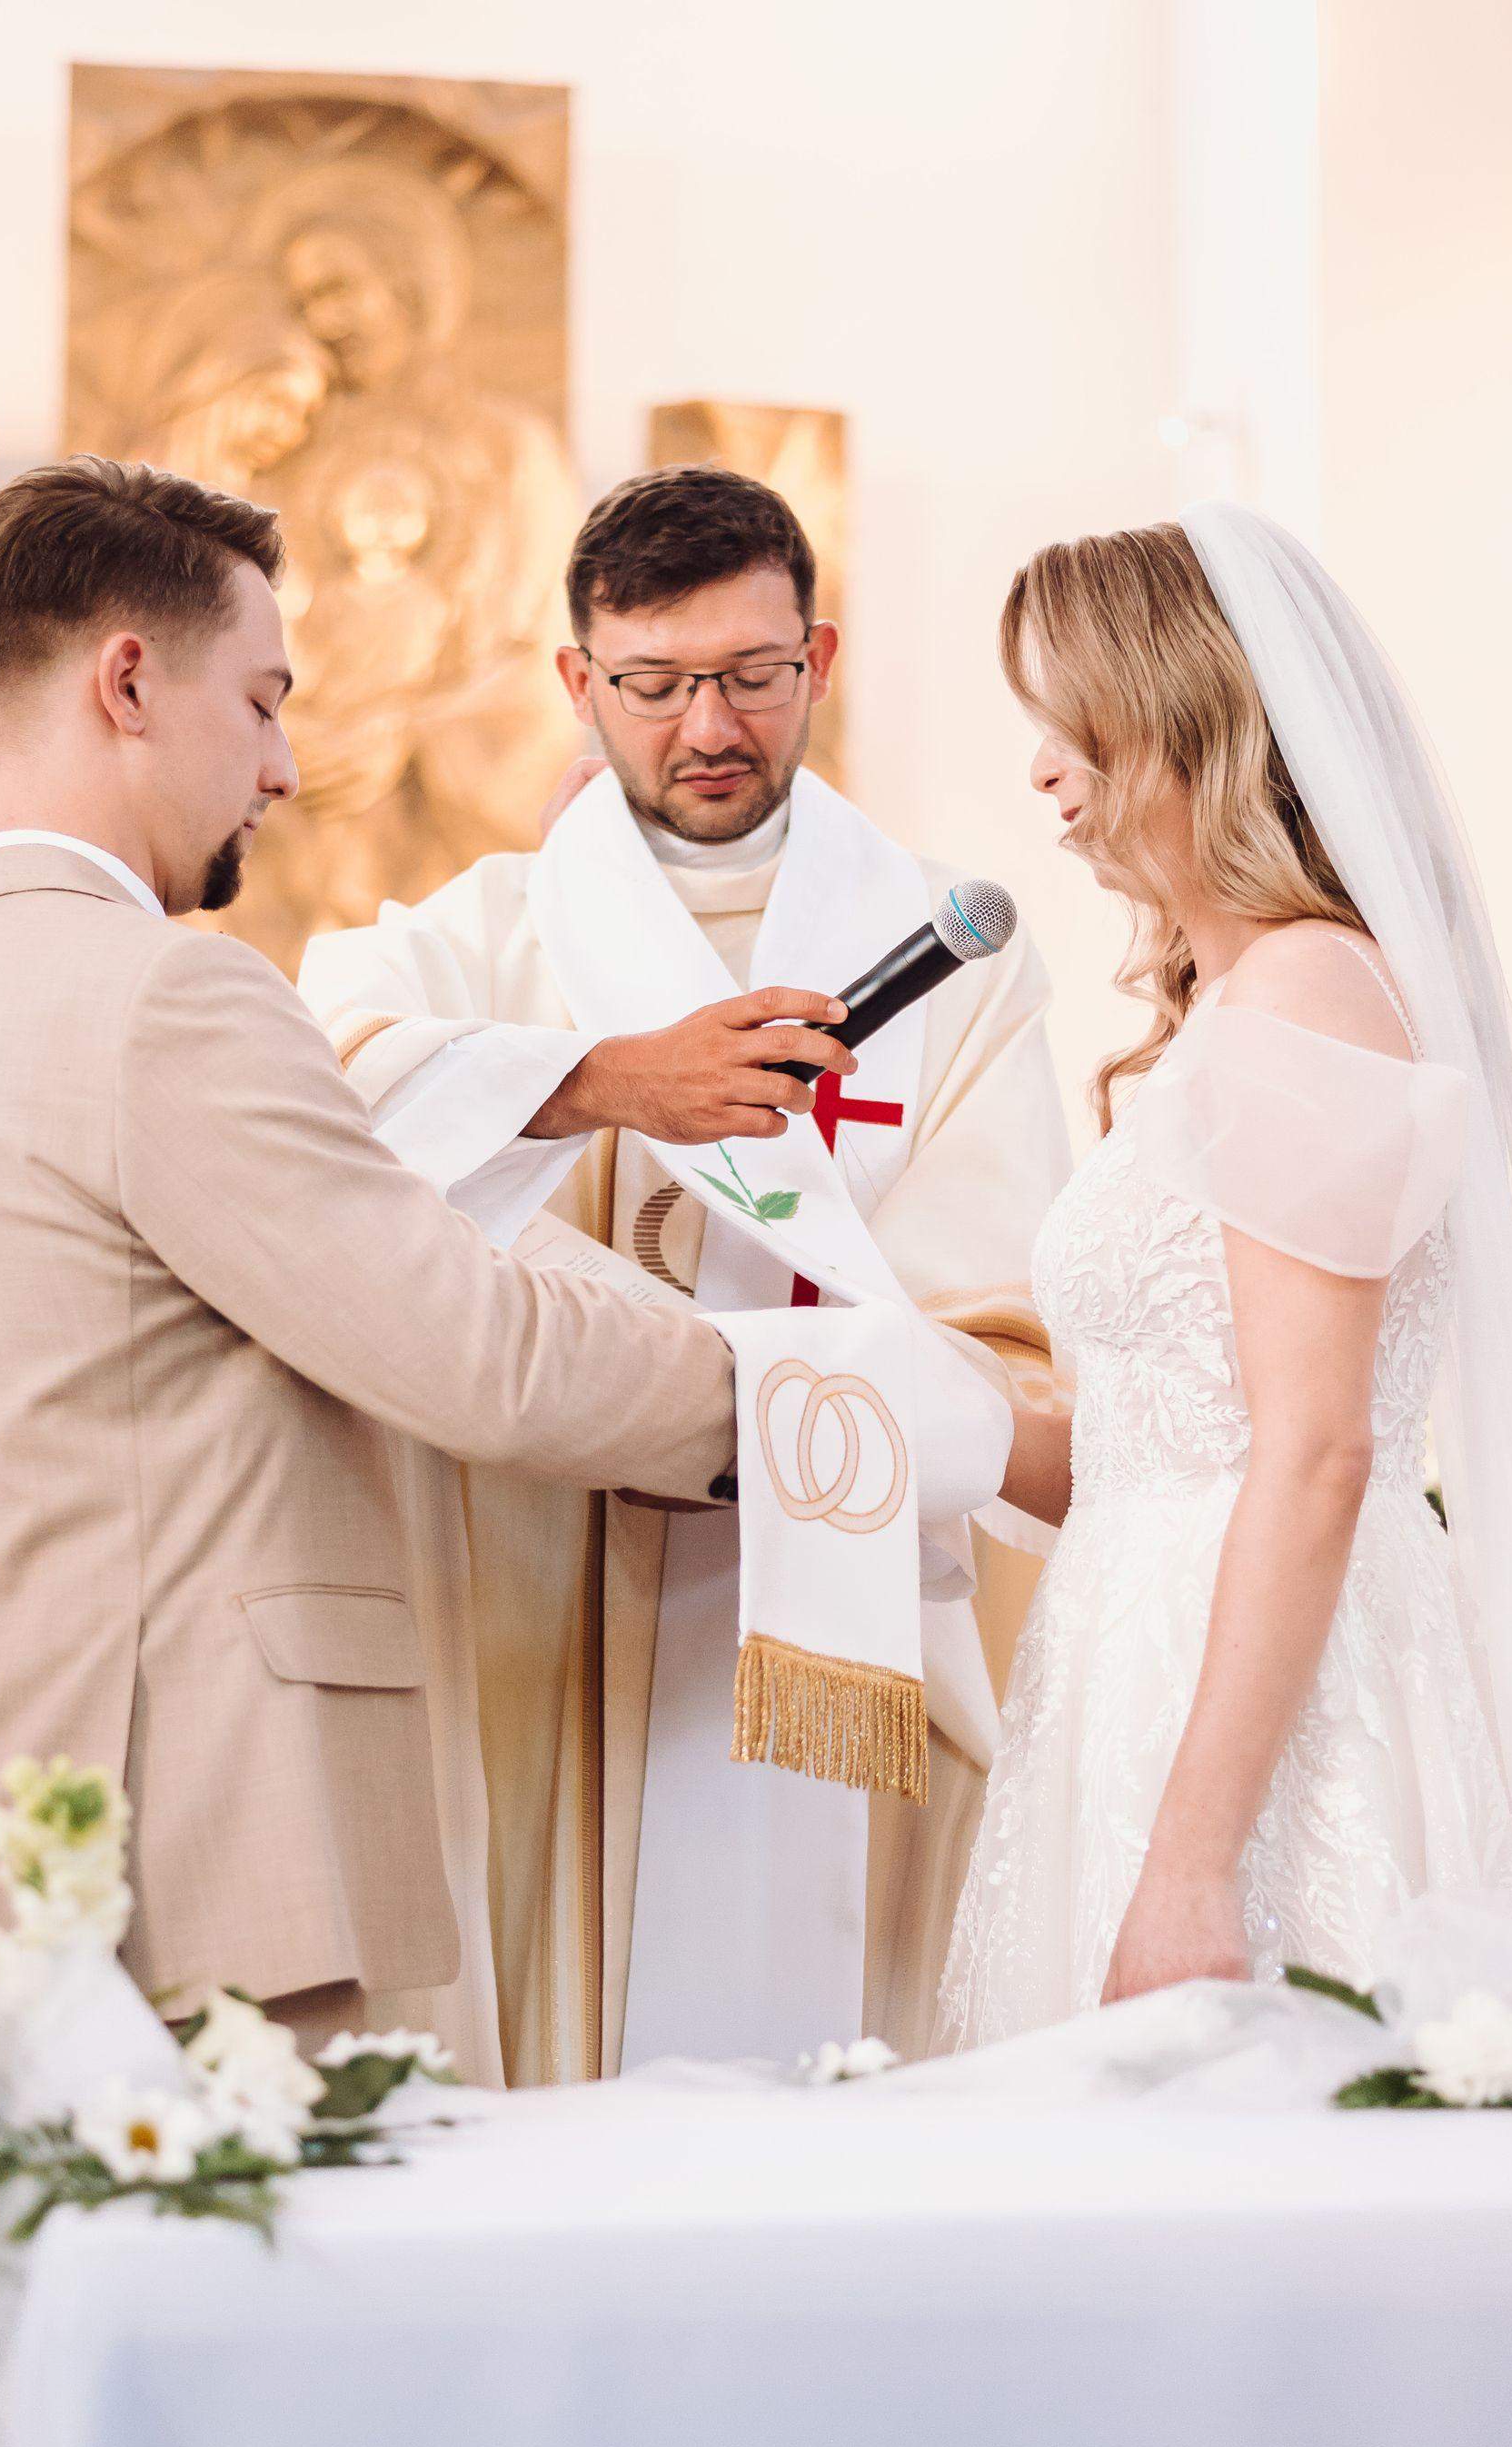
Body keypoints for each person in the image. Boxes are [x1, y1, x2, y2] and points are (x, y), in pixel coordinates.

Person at [0, 455, 740, 2065]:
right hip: (208, 1869)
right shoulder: (163, 997)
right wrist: (813, 1399)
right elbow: (474, 1355)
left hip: (27, 1869)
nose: (287, 768)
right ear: (128, 682)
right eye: (260, 703)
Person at [300, 464, 1070, 2082]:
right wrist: (598, 1082)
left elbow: (994, 1318)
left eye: (752, 675)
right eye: (652, 685)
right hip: (552, 1585)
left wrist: (754, 1397)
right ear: (578, 682)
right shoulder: (485, 936)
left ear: (821, 661)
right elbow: (310, 1091)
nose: (707, 726)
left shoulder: (953, 966)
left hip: (844, 1588)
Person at [938, 504, 1512, 2049]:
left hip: (1270, 1722)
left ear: (1189, 720)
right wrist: (920, 1412)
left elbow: (1314, 1453)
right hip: (1139, 1657)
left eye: (1076, 726)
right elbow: (1158, 1449)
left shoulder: (1307, 991)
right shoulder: (1236, 1003)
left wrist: (1191, 1863)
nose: (1043, 772)